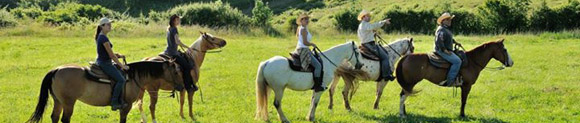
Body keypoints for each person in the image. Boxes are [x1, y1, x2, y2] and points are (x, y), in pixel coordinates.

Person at [95, 17, 130, 110]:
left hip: (102, 61)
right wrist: (122, 65)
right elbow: (111, 56)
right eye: (108, 24)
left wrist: (118, 55)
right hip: (105, 63)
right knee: (121, 80)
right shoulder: (103, 38)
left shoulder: (102, 36)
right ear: (102, 26)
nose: (110, 26)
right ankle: (114, 102)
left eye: (110, 24)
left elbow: (108, 52)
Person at [357, 10, 395, 81]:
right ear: (364, 17)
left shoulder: (362, 25)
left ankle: (386, 71)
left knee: (384, 52)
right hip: (369, 45)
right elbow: (373, 26)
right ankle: (386, 75)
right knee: (385, 57)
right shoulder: (365, 24)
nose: (369, 18)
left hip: (366, 44)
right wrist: (383, 22)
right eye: (368, 16)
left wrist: (372, 34)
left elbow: (366, 33)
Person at [164, 15, 197, 92]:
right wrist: (187, 47)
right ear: (174, 21)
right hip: (173, 53)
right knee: (187, 66)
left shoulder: (169, 28)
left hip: (167, 52)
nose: (179, 22)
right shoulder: (174, 29)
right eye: (178, 20)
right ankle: (188, 86)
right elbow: (177, 41)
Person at [294, 13, 324, 91]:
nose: (307, 21)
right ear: (301, 20)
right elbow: (304, 42)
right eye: (305, 19)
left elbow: (299, 39)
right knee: (318, 66)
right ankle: (317, 86)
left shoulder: (302, 28)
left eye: (308, 19)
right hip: (303, 49)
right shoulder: (303, 29)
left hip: (303, 48)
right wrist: (312, 44)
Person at [434, 12, 462, 86]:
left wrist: (455, 42)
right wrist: (445, 50)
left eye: (450, 20)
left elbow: (448, 39)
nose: (450, 21)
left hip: (446, 49)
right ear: (443, 21)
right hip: (441, 50)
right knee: (457, 61)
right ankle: (450, 81)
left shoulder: (445, 29)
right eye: (448, 20)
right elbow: (439, 41)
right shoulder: (441, 29)